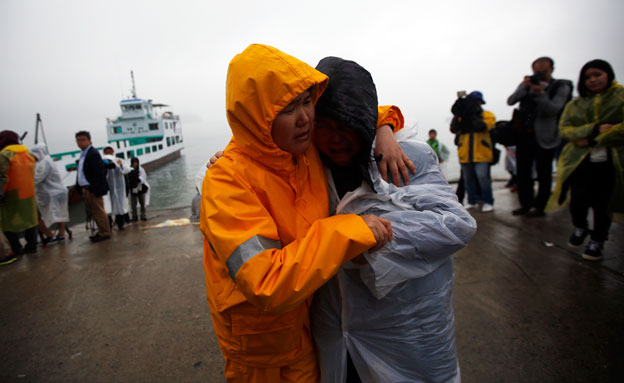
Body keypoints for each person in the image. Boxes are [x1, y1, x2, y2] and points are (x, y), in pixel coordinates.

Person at [200, 44, 395, 382]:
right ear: (257, 119)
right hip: (263, 355)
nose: (305, 117)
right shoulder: (228, 181)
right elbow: (266, 281)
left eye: (307, 101)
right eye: (289, 108)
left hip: (310, 330)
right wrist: (350, 230)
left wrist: (386, 130)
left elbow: (359, 113)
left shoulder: (302, 152)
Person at [310, 56, 476, 383]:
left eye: (345, 125)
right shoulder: (310, 168)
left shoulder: (406, 157)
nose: (335, 137)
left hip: (409, 332)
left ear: (364, 118)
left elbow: (456, 225)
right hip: (337, 331)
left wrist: (371, 242)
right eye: (324, 125)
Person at [546, 59, 623, 261]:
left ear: (608, 74)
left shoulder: (620, 96)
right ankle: (580, 226)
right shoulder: (575, 104)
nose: (592, 80)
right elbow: (564, 129)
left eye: (597, 74)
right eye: (588, 77)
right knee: (577, 200)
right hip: (579, 162)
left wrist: (589, 139)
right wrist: (595, 130)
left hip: (611, 162)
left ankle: (598, 240)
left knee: (603, 204)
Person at [507, 57, 573, 217]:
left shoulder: (561, 86)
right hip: (524, 136)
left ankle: (540, 206)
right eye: (536, 69)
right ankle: (526, 204)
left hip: (546, 137)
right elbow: (511, 100)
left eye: (543, 69)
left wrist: (541, 93)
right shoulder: (527, 84)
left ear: (552, 69)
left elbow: (553, 109)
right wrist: (524, 87)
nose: (539, 72)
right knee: (523, 173)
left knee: (544, 173)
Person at [450, 90, 496, 212]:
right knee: (467, 179)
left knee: (483, 178)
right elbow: (454, 129)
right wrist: (459, 113)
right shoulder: (462, 117)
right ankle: (472, 201)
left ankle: (487, 201)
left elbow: (483, 126)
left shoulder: (487, 114)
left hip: (481, 153)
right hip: (465, 153)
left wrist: (473, 115)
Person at [0, 130, 38, 259]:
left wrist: (1, 194)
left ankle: (16, 248)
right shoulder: (28, 153)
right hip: (29, 191)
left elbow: (3, 177)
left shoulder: (5, 154)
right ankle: (32, 246)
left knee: (7, 223)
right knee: (31, 220)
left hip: (12, 194)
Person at [30, 144, 70, 244]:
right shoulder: (45, 161)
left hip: (50, 193)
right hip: (54, 192)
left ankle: (50, 235)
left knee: (36, 216)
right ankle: (60, 234)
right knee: (59, 214)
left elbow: (37, 178)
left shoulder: (44, 163)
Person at [75, 130, 110, 242]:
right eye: (78, 140)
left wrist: (94, 188)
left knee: (98, 210)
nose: (80, 142)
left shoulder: (93, 154)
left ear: (89, 141)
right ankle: (101, 230)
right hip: (86, 188)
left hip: (92, 188)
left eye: (83, 140)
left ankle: (104, 232)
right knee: (94, 211)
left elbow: (98, 173)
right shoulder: (84, 154)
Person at [102, 146, 131, 230]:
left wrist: (120, 164)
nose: (108, 153)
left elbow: (127, 170)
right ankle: (109, 225)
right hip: (109, 189)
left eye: (109, 152)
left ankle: (120, 224)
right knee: (108, 208)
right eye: (106, 152)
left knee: (119, 207)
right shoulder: (102, 161)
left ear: (113, 152)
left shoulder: (119, 160)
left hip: (119, 189)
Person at [128, 157, 149, 222]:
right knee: (133, 204)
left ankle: (143, 215)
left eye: (136, 162)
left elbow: (144, 176)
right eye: (134, 162)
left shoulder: (141, 169)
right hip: (133, 188)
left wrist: (139, 179)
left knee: (142, 202)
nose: (135, 164)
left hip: (140, 187)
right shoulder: (129, 169)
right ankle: (134, 216)